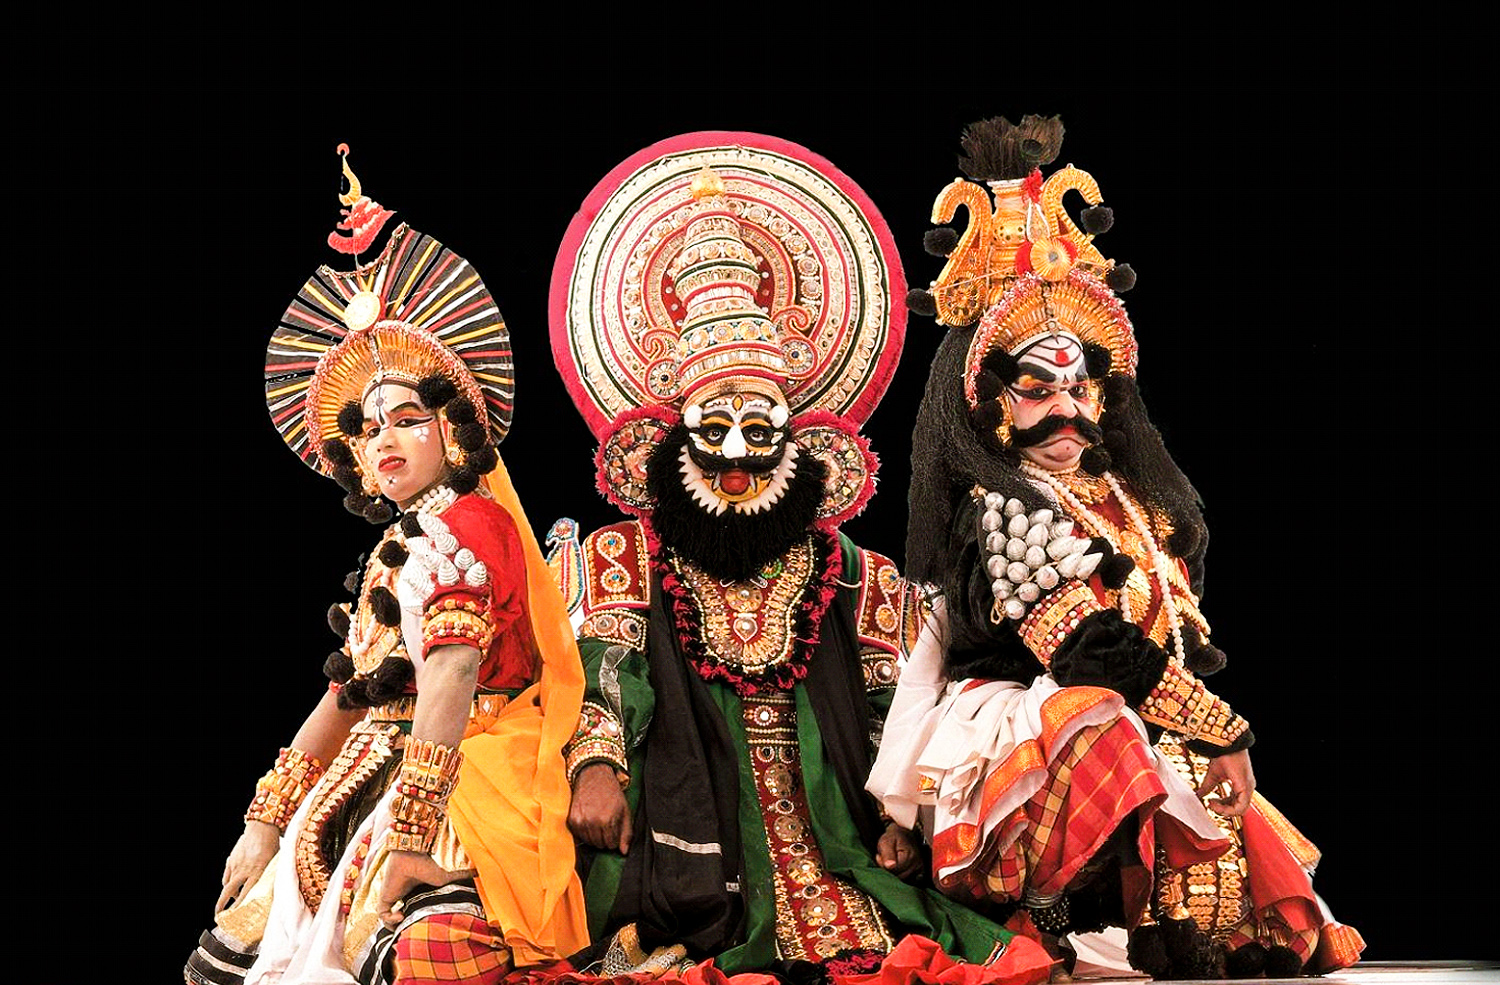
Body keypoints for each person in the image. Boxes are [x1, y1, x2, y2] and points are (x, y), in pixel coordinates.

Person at [866, 116, 1364, 980]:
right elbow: (1087, 648)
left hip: (1144, 715)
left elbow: (1165, 645)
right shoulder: (999, 508)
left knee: (1246, 906)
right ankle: (1040, 908)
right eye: (1037, 387)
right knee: (1097, 718)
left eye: (1081, 385)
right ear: (989, 402)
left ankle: (1148, 916)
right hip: (1023, 730)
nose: (1066, 408)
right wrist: (1224, 727)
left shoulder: (1133, 503)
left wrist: (1204, 737)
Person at [547, 133, 1052, 985]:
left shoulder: (856, 572)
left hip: (839, 826)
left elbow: (900, 703)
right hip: (685, 826)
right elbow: (600, 672)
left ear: (801, 439)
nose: (736, 454)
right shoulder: (620, 556)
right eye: (712, 429)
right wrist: (595, 766)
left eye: (760, 428)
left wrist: (905, 812)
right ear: (668, 440)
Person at [185, 148, 588, 985]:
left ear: (454, 432)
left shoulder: (471, 523)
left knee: (424, 958)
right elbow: (352, 691)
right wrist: (266, 818)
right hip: (372, 780)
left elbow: (453, 673)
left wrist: (408, 833)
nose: (385, 440)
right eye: (369, 431)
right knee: (224, 959)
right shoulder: (397, 545)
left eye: (407, 418)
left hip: (466, 779)